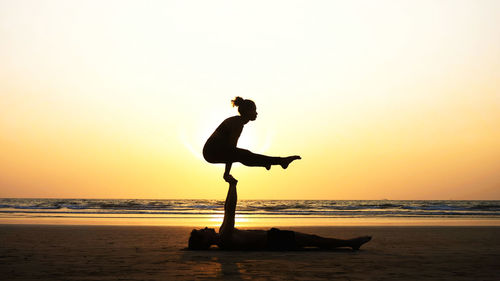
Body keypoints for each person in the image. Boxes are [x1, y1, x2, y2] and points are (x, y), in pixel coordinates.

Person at [188, 181, 372, 251]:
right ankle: (350, 243)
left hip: (274, 239)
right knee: (315, 240)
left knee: (314, 242)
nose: (204, 227)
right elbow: (230, 210)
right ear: (205, 242)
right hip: (275, 240)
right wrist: (232, 185)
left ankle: (349, 243)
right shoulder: (225, 237)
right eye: (201, 232)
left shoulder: (224, 239)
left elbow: (228, 210)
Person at [203, 96, 301, 183]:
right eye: (254, 110)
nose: (256, 113)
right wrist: (226, 174)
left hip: (215, 151)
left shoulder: (238, 121)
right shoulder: (237, 123)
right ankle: (279, 161)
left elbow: (232, 153)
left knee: (244, 156)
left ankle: (272, 162)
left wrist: (260, 161)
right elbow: (232, 152)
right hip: (211, 152)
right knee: (244, 155)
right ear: (247, 112)